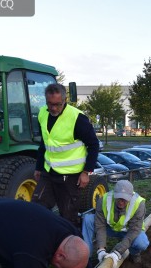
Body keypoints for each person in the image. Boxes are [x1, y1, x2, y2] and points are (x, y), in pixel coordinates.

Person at [32, 83, 100, 225]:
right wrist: (39, 167)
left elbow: (94, 144)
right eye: (50, 104)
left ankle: (72, 243)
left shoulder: (78, 119)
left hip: (70, 176)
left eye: (58, 104)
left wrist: (86, 172)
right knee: (37, 209)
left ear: (65, 100)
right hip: (48, 172)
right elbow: (45, 143)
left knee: (68, 216)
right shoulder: (42, 113)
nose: (53, 108)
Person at [82, 179, 150, 266]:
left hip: (128, 231)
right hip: (111, 228)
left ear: (131, 196)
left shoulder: (138, 204)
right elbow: (100, 226)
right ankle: (86, 257)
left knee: (142, 243)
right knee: (88, 219)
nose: (121, 202)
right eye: (119, 197)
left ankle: (134, 253)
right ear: (114, 193)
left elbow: (134, 230)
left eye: (125, 199)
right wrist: (101, 249)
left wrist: (118, 252)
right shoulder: (104, 200)